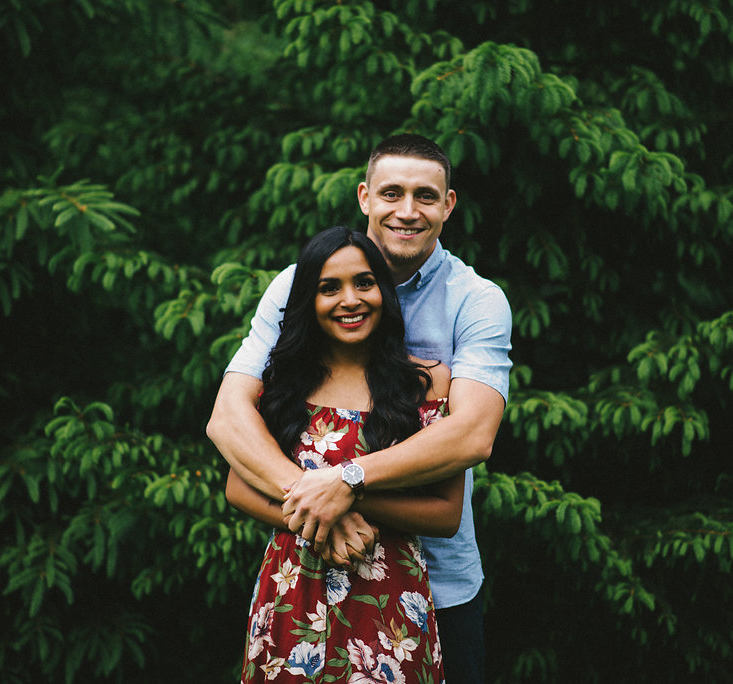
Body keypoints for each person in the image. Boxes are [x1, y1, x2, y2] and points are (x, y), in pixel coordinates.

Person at [208, 134, 513, 684]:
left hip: (436, 590)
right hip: (304, 583)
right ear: (365, 196)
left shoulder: (476, 300)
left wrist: (346, 481)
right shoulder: (297, 288)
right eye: (392, 192)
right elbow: (229, 415)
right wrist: (319, 503)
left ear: (448, 206)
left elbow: (471, 437)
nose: (407, 210)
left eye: (426, 196)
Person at [223, 226, 462, 682]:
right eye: (328, 288)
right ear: (307, 302)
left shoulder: (427, 383)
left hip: (391, 604)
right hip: (293, 593)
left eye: (364, 283)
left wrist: (347, 496)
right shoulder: (282, 382)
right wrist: (322, 519)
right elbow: (238, 487)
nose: (349, 299)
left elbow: (447, 514)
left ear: (384, 292)